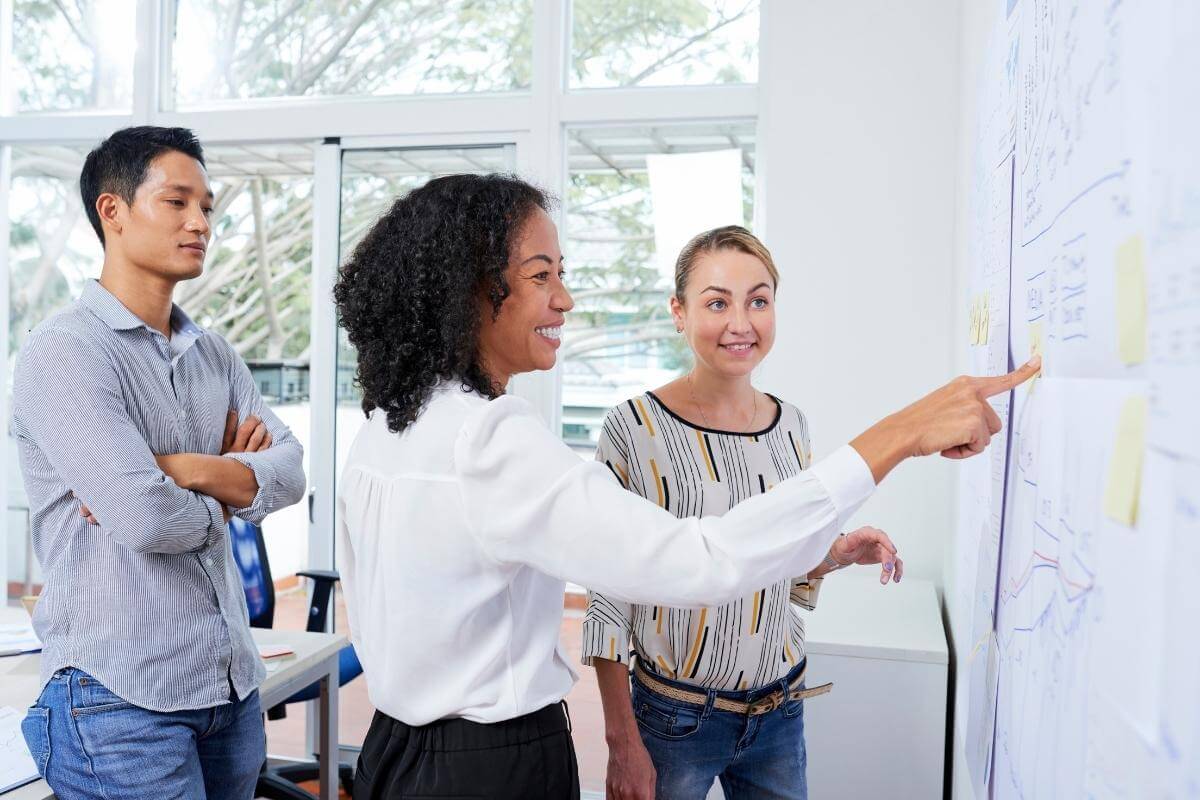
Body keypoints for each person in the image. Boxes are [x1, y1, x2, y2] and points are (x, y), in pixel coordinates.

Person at [332, 173, 1038, 800]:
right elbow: (695, 561)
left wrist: (822, 551)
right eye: (542, 274)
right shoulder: (491, 439)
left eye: (758, 300)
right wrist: (901, 432)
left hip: (395, 752)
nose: (566, 298)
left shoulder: (385, 431)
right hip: (493, 764)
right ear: (472, 290)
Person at [12, 126, 307, 800]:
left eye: (207, 206)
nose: (200, 222)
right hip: (119, 699)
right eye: (177, 202)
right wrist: (232, 486)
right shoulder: (66, 354)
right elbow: (145, 518)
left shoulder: (215, 355)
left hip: (228, 688)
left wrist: (183, 467)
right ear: (112, 212)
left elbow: (290, 473)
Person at [583, 225, 902, 800]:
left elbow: (775, 563)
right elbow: (608, 593)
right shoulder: (634, 428)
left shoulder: (792, 424)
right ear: (678, 313)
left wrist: (832, 555)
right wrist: (621, 741)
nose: (741, 323)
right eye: (716, 303)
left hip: (781, 712)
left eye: (758, 300)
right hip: (674, 721)